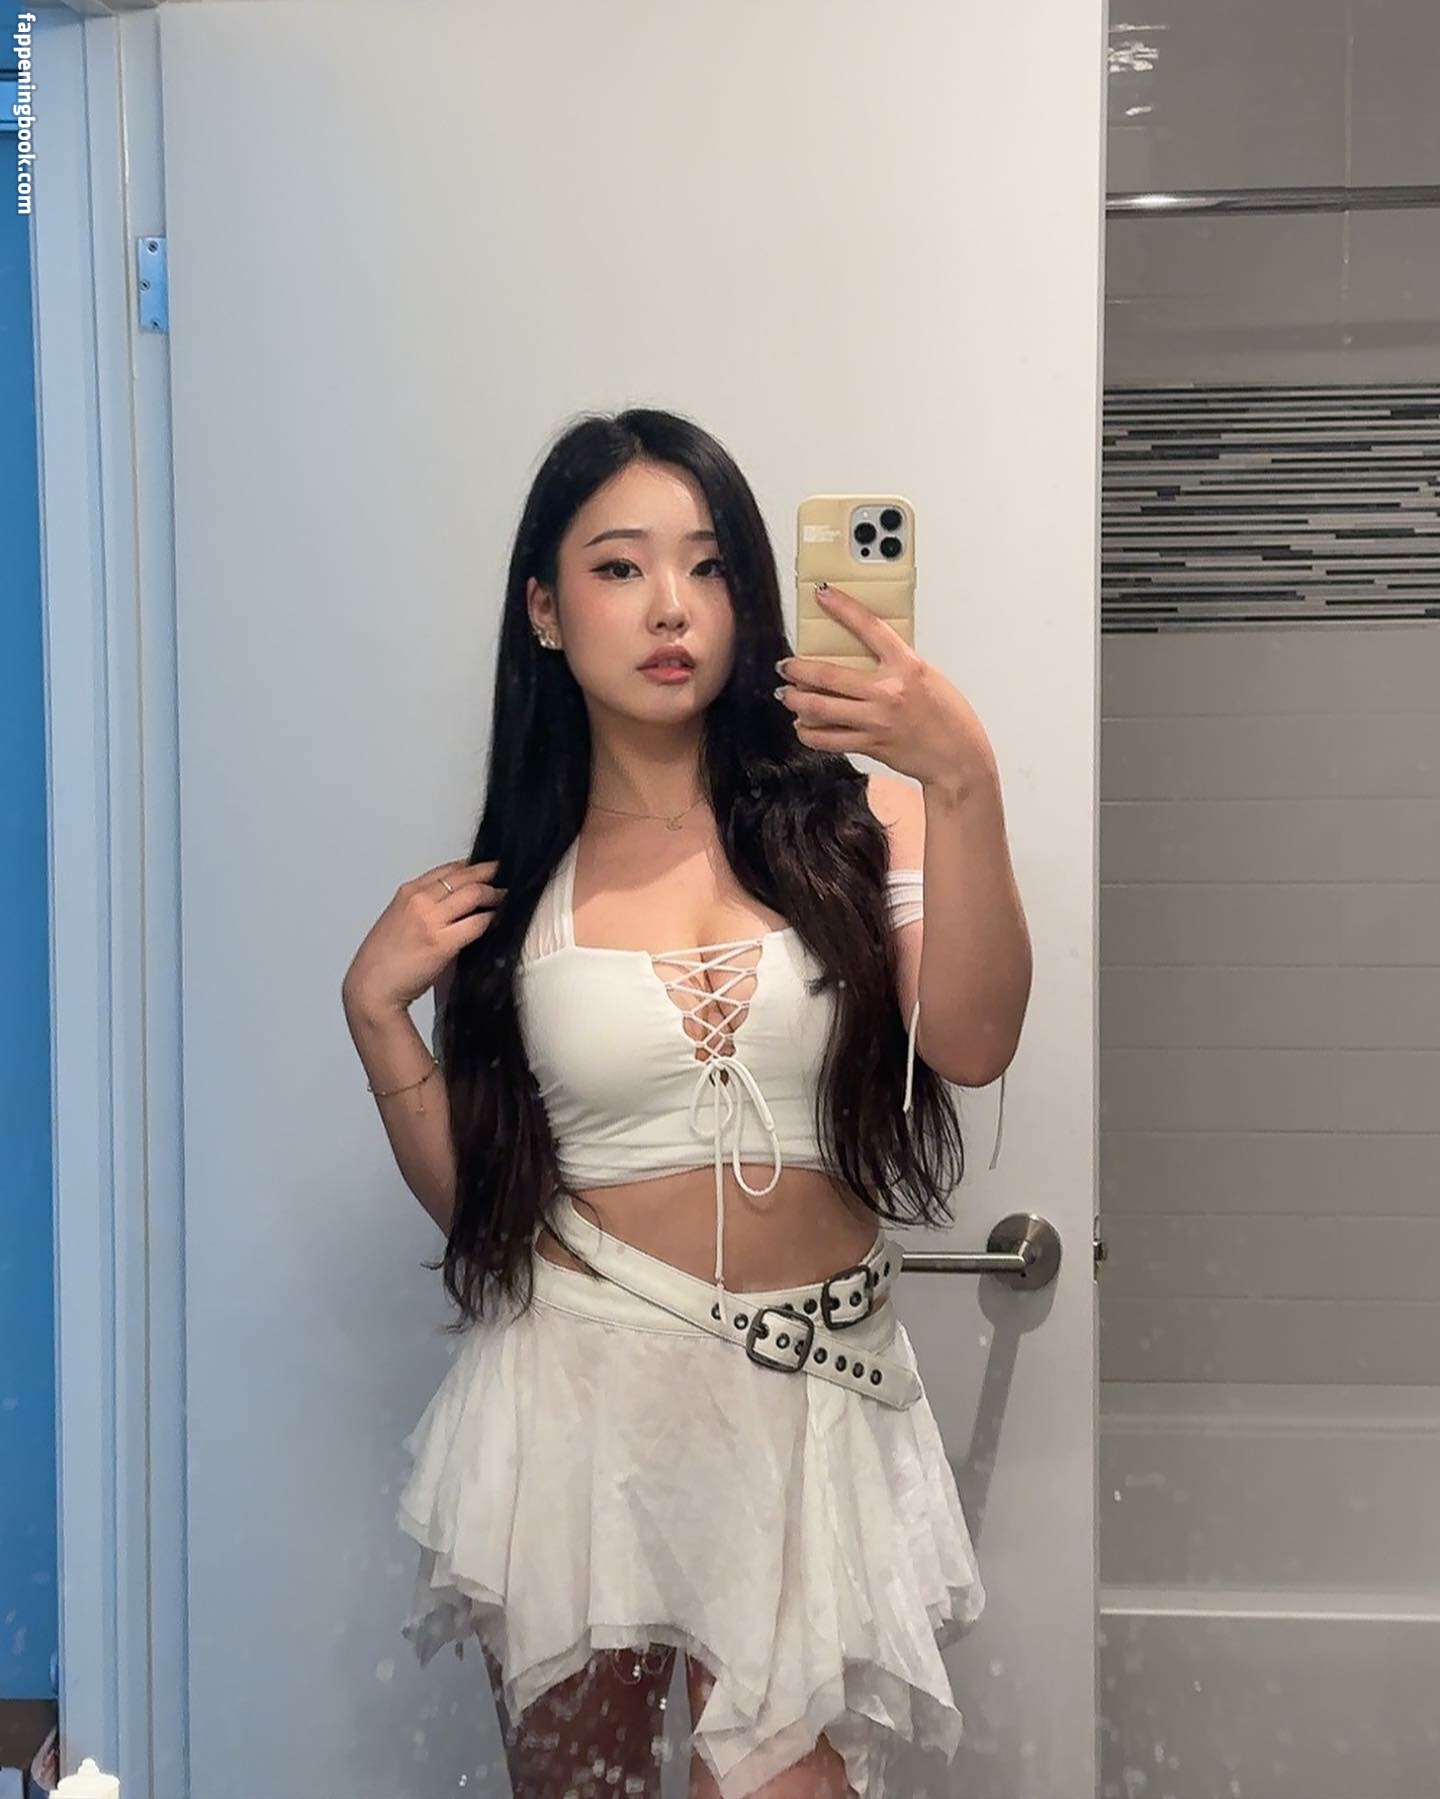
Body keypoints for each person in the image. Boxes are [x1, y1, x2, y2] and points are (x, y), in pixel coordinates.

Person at [341, 407, 1032, 1799]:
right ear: (545, 610)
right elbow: (488, 1208)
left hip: (809, 1401)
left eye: (708, 566)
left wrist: (963, 777)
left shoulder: (863, 826)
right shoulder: (509, 893)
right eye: (619, 567)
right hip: (579, 1395)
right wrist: (374, 1015)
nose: (671, 606)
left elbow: (971, 1041)